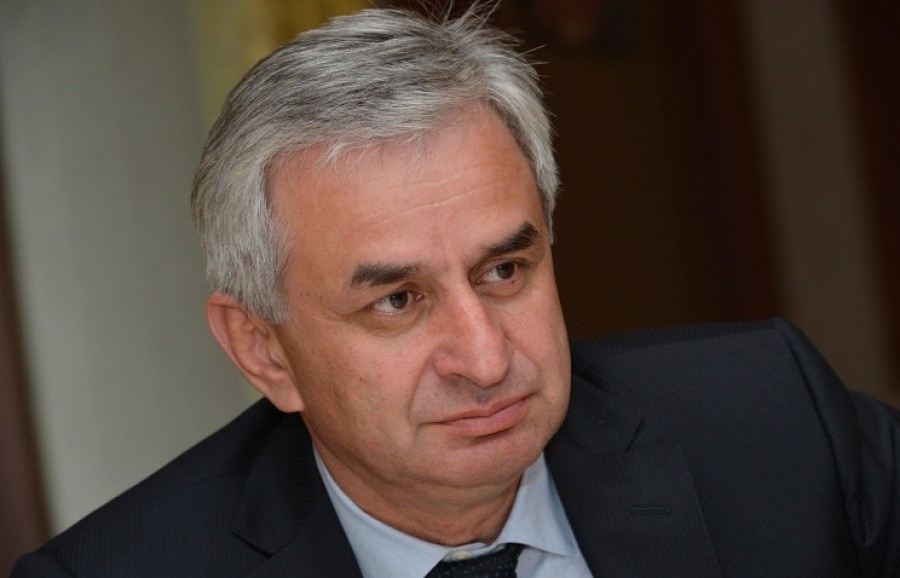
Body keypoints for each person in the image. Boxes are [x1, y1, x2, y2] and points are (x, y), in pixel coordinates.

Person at [12, 4, 900, 577]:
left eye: (504, 271)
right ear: (264, 350)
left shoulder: (775, 421)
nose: (485, 358)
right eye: (396, 301)